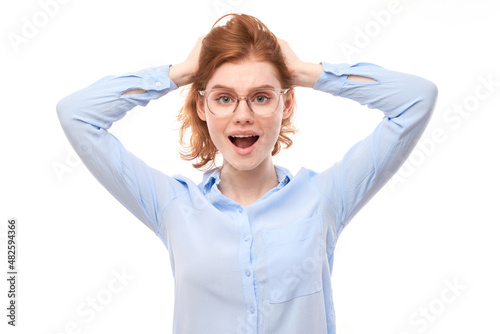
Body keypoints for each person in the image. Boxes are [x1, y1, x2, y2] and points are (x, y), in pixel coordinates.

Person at [56, 13, 437, 334]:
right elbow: (77, 115)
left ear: (285, 104)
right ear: (203, 107)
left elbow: (416, 99)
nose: (242, 115)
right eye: (223, 97)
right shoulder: (172, 206)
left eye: (261, 96)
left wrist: (307, 73)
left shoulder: (323, 198)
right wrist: (182, 72)